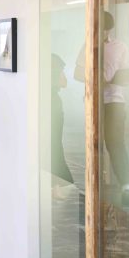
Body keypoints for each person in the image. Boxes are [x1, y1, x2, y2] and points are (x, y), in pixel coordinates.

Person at [75, 11, 129, 205]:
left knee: (115, 143)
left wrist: (118, 79)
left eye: (104, 29)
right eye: (97, 28)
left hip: (115, 101)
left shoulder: (120, 47)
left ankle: (126, 185)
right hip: (93, 100)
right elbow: (77, 74)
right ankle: (93, 183)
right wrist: (94, 79)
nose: (101, 32)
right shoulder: (86, 46)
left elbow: (127, 76)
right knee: (93, 144)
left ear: (109, 29)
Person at [51, 54, 74, 199]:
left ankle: (57, 186)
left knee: (53, 146)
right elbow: (64, 83)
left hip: (51, 104)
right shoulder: (55, 61)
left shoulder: (49, 62)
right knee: (55, 145)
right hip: (54, 105)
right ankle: (60, 185)